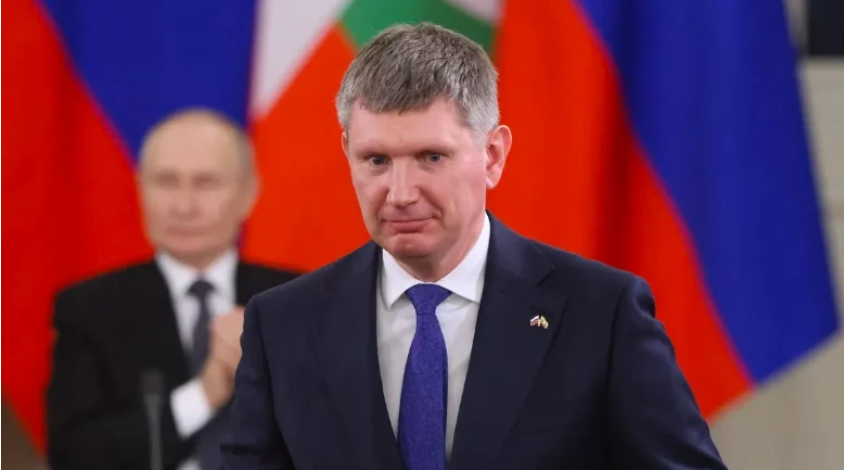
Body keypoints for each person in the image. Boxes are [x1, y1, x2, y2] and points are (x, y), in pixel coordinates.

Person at [221, 23, 727, 470]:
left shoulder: (602, 314)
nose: (400, 193)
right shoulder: (283, 324)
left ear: (493, 155)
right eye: (376, 160)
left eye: (431, 157)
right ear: (347, 153)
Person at [46, 108, 298, 470]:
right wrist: (205, 393)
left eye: (206, 183)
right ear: (140, 188)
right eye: (166, 182)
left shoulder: (300, 298)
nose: (184, 206)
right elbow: (72, 454)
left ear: (249, 192)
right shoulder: (89, 308)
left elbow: (344, 434)